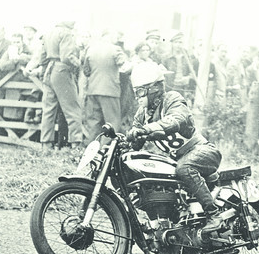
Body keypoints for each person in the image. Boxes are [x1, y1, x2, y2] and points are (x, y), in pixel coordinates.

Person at [126, 65, 226, 237]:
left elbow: (176, 120)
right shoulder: (142, 114)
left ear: (153, 90)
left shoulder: (172, 99)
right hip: (177, 158)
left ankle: (214, 215)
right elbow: (135, 140)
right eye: (135, 92)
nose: (137, 97)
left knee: (184, 168)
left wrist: (147, 129)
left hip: (202, 150)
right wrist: (124, 141)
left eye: (141, 92)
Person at [38, 20, 83, 149]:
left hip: (49, 70)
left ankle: (45, 144)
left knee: (48, 110)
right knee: (73, 109)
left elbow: (42, 57)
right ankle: (76, 144)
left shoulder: (48, 33)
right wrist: (79, 64)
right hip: (62, 71)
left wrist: (44, 73)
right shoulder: (66, 33)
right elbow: (67, 57)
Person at [82, 29, 126, 141]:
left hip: (93, 90)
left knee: (93, 123)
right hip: (110, 91)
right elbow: (124, 65)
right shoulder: (116, 50)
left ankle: (93, 150)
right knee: (112, 123)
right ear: (109, 36)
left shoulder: (90, 49)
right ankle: (107, 150)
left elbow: (86, 71)